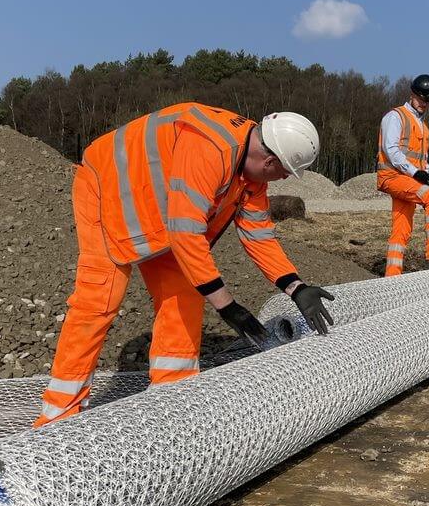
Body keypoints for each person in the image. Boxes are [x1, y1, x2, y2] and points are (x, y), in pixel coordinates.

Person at [34, 103, 335, 427]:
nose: (284, 179)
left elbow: (259, 235)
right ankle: (57, 416)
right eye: (285, 172)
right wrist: (228, 306)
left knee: (185, 294)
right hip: (107, 187)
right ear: (270, 160)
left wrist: (295, 287)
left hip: (157, 211)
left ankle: (170, 402)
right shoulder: (211, 148)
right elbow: (186, 231)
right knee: (100, 298)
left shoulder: (251, 176)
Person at [376, 74, 429, 277]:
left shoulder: (423, 127)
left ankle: (392, 277)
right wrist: (416, 172)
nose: (425, 104)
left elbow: (422, 158)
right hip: (393, 177)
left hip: (408, 179)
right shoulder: (395, 117)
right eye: (422, 99)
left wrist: (423, 170)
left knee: (401, 230)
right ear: (413, 94)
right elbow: (391, 150)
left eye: (428, 101)